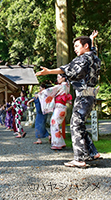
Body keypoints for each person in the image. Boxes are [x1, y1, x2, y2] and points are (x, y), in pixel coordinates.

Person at [36, 30, 101, 168]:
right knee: (80, 124)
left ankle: (79, 158)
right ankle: (92, 152)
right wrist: (91, 39)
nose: (75, 49)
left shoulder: (83, 59)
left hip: (83, 96)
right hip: (90, 96)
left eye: (77, 46)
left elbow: (67, 69)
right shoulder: (95, 58)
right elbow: (92, 50)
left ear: (85, 46)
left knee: (75, 125)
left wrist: (49, 71)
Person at [38, 77, 72, 149]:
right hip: (62, 107)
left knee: (54, 124)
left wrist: (41, 93)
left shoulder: (62, 85)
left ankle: (57, 144)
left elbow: (50, 90)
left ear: (63, 78)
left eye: (59, 77)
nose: (57, 78)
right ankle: (61, 142)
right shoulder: (67, 86)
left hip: (59, 107)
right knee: (56, 124)